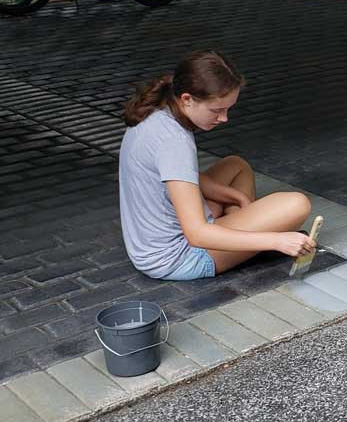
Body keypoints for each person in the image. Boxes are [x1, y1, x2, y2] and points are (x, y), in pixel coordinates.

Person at [119, 49, 315, 280]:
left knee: (236, 165)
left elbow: (181, 175)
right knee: (296, 204)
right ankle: (248, 244)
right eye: (217, 110)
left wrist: (236, 198)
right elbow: (197, 234)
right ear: (187, 99)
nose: (224, 118)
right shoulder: (174, 141)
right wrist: (276, 240)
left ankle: (240, 240)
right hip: (178, 257)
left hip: (151, 242)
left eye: (227, 109)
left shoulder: (159, 108)